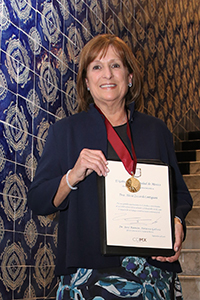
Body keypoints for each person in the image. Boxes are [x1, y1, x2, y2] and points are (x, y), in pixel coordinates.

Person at [27, 34, 193, 299]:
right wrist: (72, 176)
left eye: (116, 65)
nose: (107, 74)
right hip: (89, 273)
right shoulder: (65, 132)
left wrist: (176, 222)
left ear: (129, 77)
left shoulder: (156, 130)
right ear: (86, 82)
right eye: (97, 67)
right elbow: (38, 200)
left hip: (151, 272)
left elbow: (180, 196)